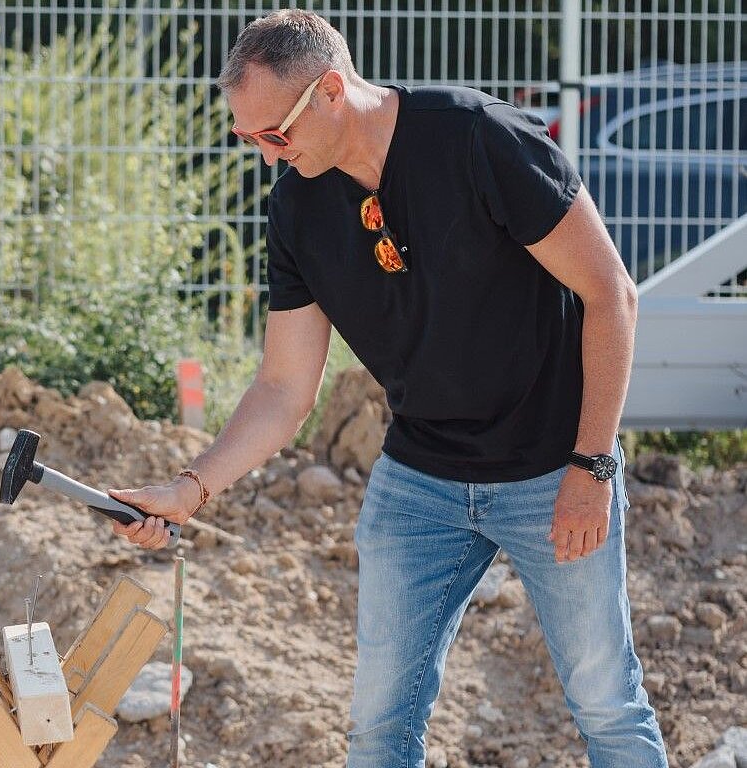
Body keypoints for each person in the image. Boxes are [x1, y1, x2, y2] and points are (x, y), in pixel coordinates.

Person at [110, 10, 668, 768]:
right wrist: (190, 489)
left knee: (606, 706)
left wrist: (592, 465)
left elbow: (611, 295)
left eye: (275, 133)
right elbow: (283, 387)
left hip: (552, 468)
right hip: (420, 482)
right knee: (378, 727)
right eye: (248, 139)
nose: (267, 156)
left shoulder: (478, 139)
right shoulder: (298, 206)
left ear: (330, 91)